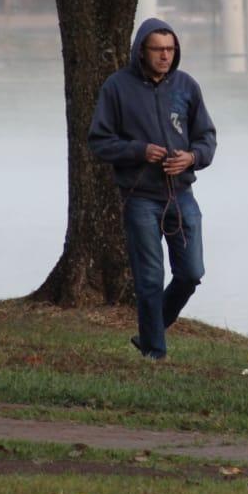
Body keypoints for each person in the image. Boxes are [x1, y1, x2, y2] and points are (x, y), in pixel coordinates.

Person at [88, 18, 217, 360]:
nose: (165, 56)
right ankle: (155, 353)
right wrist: (138, 151)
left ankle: (149, 333)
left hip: (182, 195)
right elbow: (99, 141)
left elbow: (207, 138)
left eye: (170, 49)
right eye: (158, 49)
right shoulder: (117, 87)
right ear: (141, 51)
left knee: (191, 273)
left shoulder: (187, 86)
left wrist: (191, 157)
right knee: (149, 278)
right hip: (140, 197)